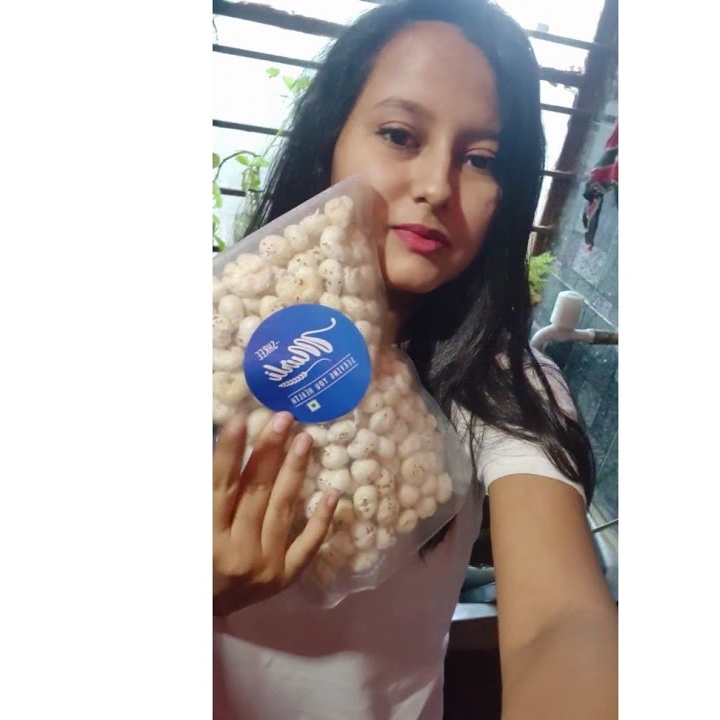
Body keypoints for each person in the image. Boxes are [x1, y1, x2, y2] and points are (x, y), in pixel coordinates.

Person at [212, 1, 617, 717]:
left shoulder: (504, 387)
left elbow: (561, 622)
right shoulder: (216, 327)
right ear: (331, 138)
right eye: (400, 135)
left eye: (482, 160)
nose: (436, 185)